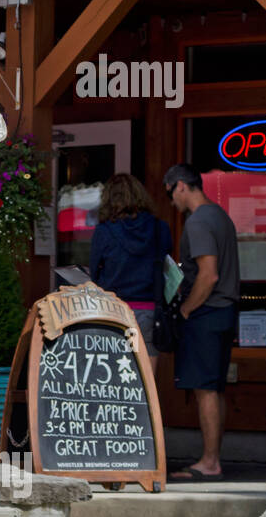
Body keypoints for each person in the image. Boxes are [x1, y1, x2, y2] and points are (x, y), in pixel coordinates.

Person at [165, 164, 240, 482]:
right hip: (224, 311)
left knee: (204, 390)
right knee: (215, 388)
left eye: (171, 193)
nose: (171, 202)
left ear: (181, 185)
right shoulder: (220, 215)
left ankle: (210, 462)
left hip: (207, 313)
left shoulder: (198, 221)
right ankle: (213, 457)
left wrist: (185, 310)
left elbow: (208, 275)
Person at [90, 174, 172, 360]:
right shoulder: (160, 228)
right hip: (150, 310)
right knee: (146, 380)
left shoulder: (103, 232)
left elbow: (95, 273)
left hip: (113, 313)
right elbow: (166, 268)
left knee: (115, 379)